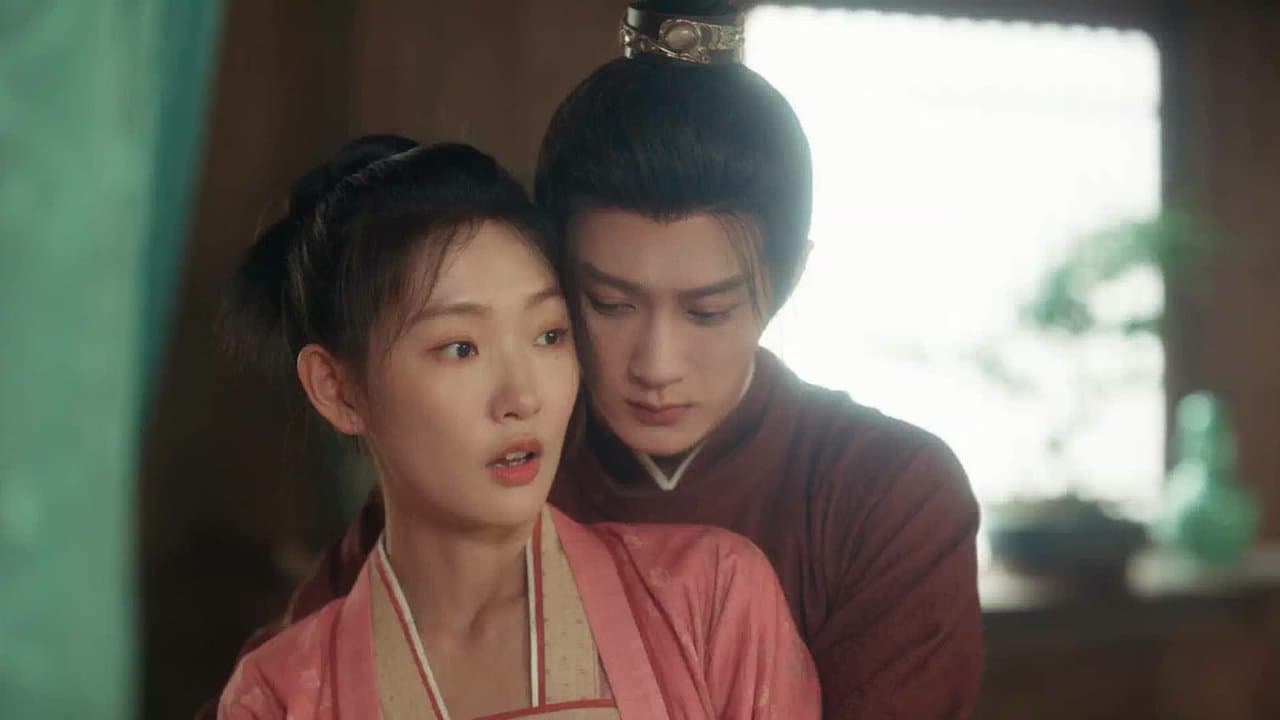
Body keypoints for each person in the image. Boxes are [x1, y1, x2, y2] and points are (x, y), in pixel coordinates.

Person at [219, 2, 984, 718]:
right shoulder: (481, 470)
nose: (657, 364)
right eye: (610, 304)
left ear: (786, 282)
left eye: (707, 311)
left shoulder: (882, 493)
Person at [214, 136, 820, 719]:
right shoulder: (280, 695)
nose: (523, 397)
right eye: (460, 348)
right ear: (337, 387)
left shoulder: (707, 597)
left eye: (549, 335)